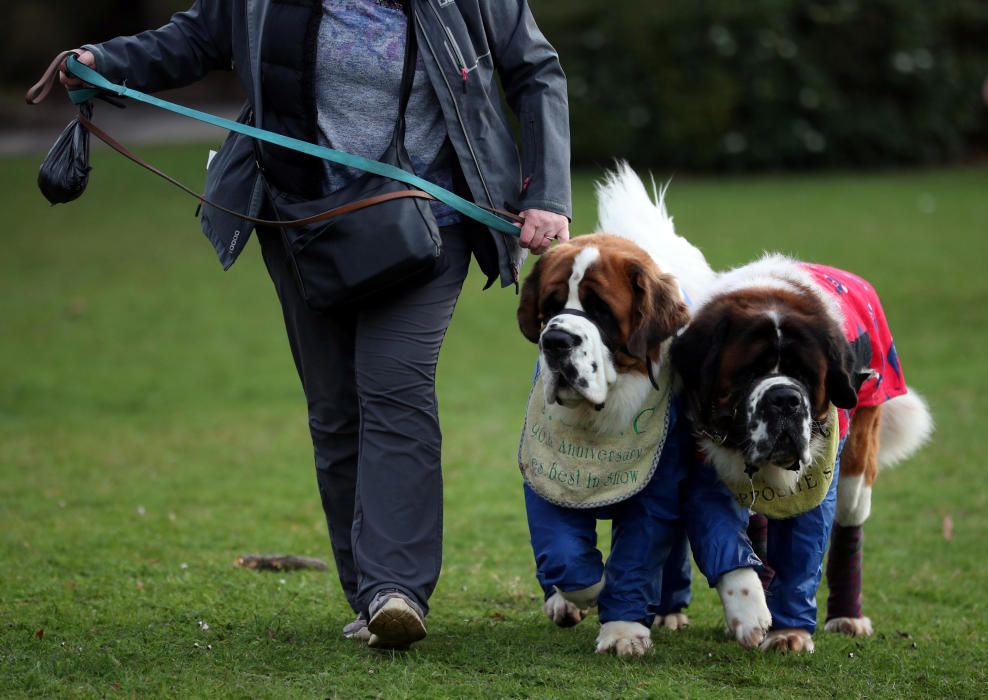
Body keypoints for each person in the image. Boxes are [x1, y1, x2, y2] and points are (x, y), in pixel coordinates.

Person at [61, 0, 571, 650]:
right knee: (334, 410)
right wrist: (104, 62)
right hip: (303, 223)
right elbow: (197, 37)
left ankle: (398, 589)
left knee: (395, 389)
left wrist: (547, 194)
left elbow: (536, 70)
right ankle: (369, 594)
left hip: (427, 225)